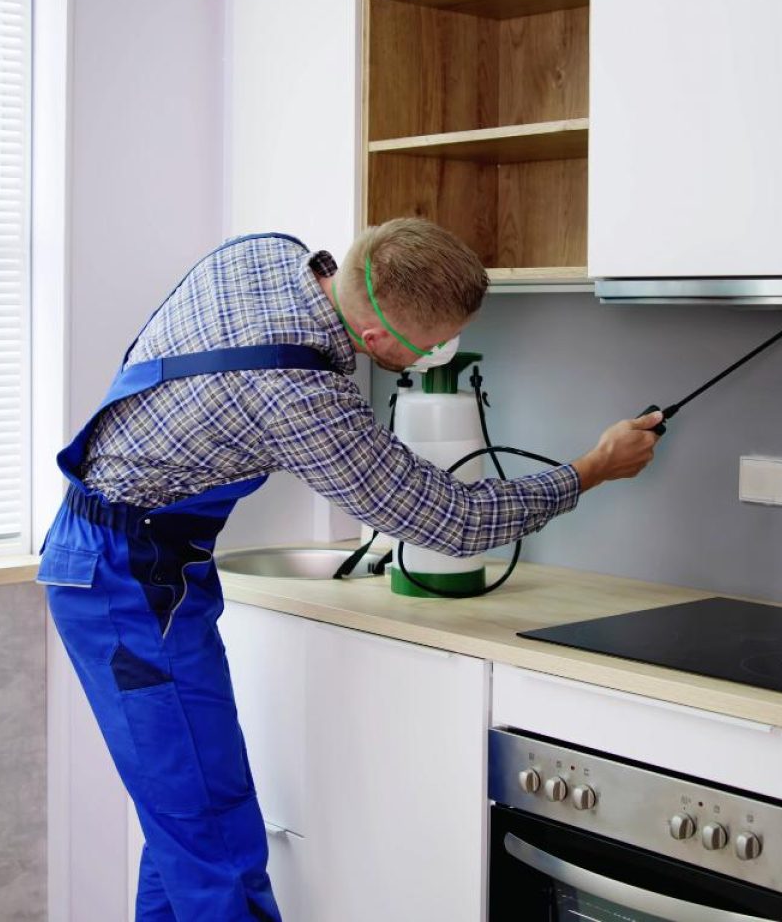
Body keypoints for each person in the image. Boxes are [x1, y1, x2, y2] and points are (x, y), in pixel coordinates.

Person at [37, 218, 664, 921]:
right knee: (214, 843)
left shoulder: (265, 253)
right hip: (124, 586)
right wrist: (591, 469)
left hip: (144, 564)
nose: (436, 355)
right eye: (432, 345)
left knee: (188, 826)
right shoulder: (300, 397)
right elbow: (453, 520)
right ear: (375, 339)